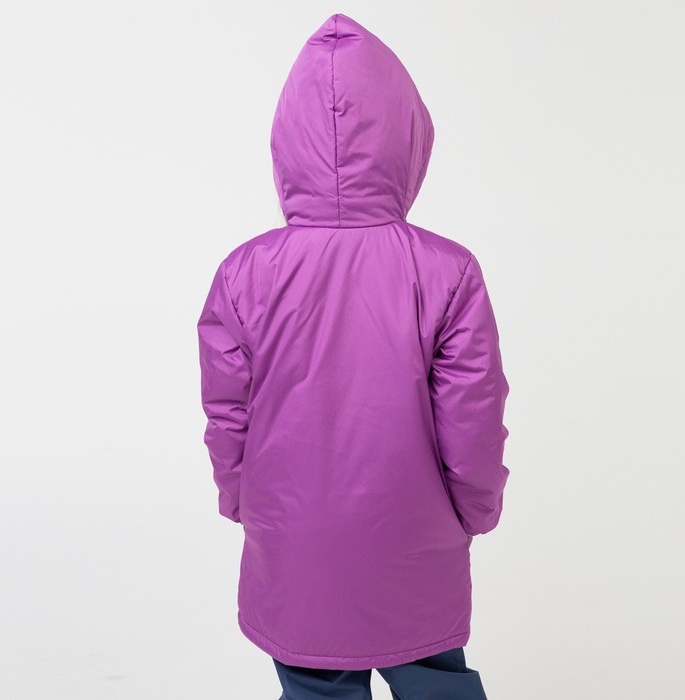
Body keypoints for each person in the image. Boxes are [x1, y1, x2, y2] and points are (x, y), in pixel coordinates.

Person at [197, 12, 510, 700]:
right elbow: (473, 415)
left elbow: (227, 414)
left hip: (293, 537)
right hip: (415, 535)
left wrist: (241, 499)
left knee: (315, 683)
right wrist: (476, 508)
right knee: (433, 676)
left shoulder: (243, 272)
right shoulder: (447, 270)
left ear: (286, 141)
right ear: (408, 136)